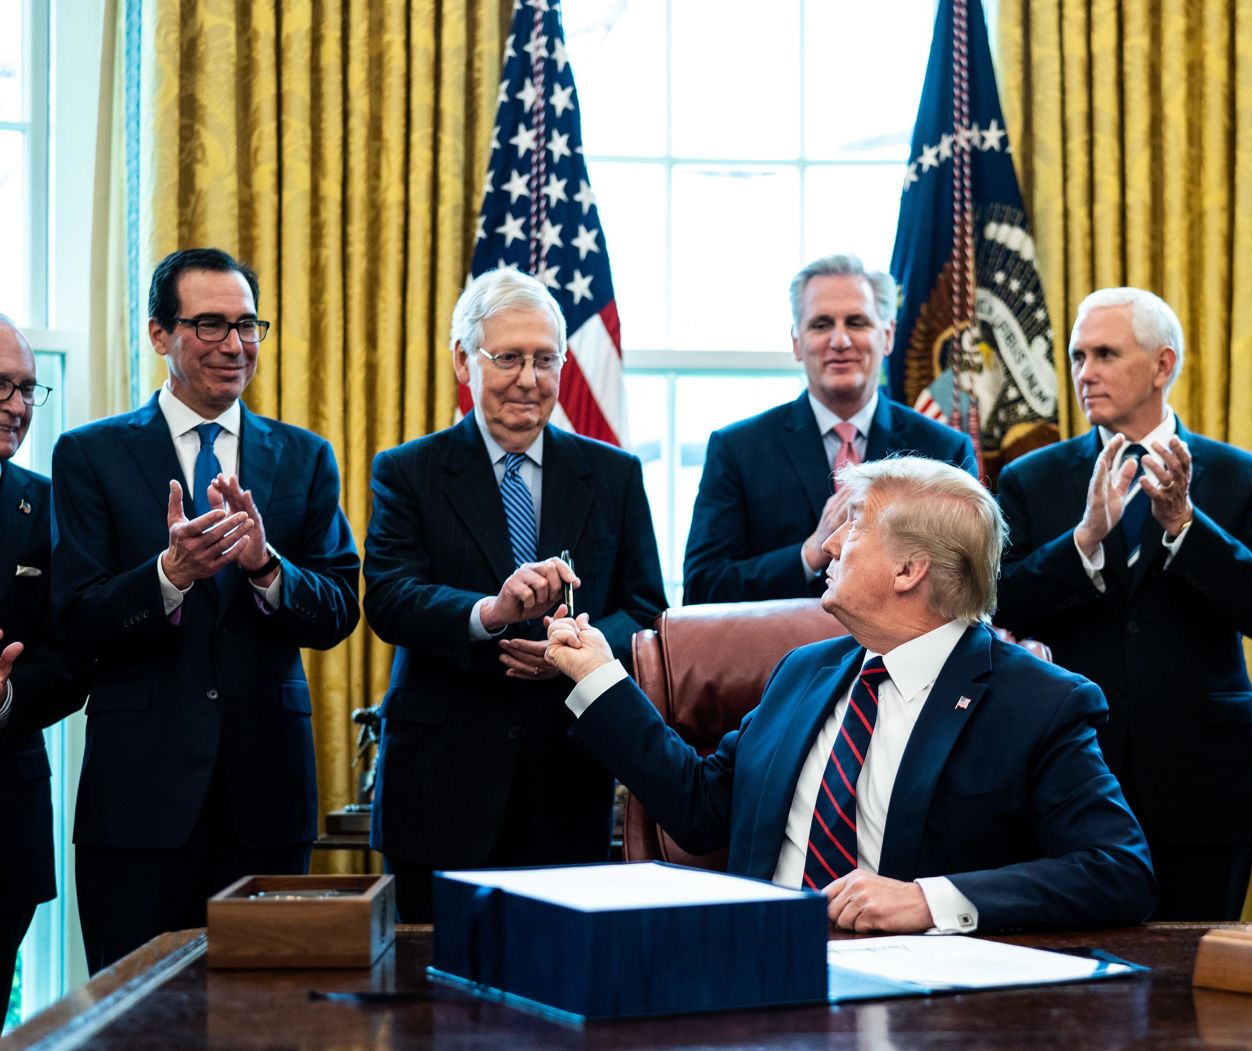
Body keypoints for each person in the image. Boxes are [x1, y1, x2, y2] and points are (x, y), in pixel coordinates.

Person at [548, 456, 1155, 933]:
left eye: (854, 524)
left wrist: (928, 900)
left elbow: (1118, 872)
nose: (830, 545)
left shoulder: (1038, 703)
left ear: (908, 570)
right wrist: (601, 676)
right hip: (761, 967)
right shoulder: (802, 673)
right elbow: (701, 809)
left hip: (918, 997)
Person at [51, 248, 361, 972]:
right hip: (139, 806)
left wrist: (264, 567)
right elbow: (74, 616)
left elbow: (341, 607)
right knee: (134, 1019)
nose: (235, 344)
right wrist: (168, 575)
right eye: (211, 324)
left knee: (268, 1016)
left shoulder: (305, 457)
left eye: (248, 324)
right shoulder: (90, 456)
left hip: (268, 801)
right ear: (160, 334)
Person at [364, 269, 665, 923]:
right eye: (507, 358)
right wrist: (491, 615)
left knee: (558, 999)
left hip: (567, 781)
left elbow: (647, 611)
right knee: (429, 1006)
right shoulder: (408, 471)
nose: (528, 378)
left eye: (544, 358)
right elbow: (388, 598)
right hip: (440, 791)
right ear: (463, 361)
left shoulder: (614, 474)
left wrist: (574, 649)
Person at [995, 287, 1252, 921]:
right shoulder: (1032, 477)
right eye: (1078, 357)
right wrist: (1084, 540)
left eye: (1105, 354)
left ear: (1163, 366)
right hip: (1071, 771)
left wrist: (1185, 524)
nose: (1084, 374)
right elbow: (1001, 607)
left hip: (1204, 777)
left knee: (1197, 981)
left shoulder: (1244, 477)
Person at [682, 254, 976, 604]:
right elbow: (702, 588)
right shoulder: (737, 449)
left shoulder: (943, 449)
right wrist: (811, 551)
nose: (840, 341)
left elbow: (968, 585)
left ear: (887, 336)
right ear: (796, 342)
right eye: (821, 324)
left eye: (856, 322)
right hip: (775, 655)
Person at [0, 317, 84, 1000]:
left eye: (28, 388)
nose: (20, 406)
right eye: (2, 385)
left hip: (5, 825)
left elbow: (69, 660)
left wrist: (5, 696)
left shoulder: (47, 505)